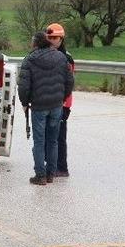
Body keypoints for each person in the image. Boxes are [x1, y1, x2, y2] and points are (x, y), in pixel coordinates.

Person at [18, 31, 74, 185]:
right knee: (53, 141)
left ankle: (40, 175)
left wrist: (24, 103)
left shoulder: (30, 59)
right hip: (56, 105)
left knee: (39, 141)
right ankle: (51, 174)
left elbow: (23, 85)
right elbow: (70, 81)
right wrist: (62, 98)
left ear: (35, 43)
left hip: (39, 106)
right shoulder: (60, 57)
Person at [46, 23, 75, 177]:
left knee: (59, 136)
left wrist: (63, 102)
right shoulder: (47, 54)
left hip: (63, 103)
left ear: (61, 39)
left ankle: (62, 168)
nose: (52, 40)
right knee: (49, 134)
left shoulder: (66, 57)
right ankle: (51, 164)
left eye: (55, 38)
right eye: (49, 37)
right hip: (51, 101)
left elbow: (68, 82)